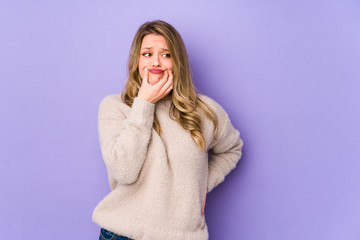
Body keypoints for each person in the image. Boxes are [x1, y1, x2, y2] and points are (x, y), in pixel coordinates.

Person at [92, 20, 244, 240]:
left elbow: (232, 148)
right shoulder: (116, 107)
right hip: (124, 235)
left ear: (177, 61)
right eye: (147, 54)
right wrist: (144, 103)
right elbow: (124, 171)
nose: (156, 62)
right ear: (136, 59)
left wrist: (200, 187)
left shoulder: (205, 111)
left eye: (166, 54)